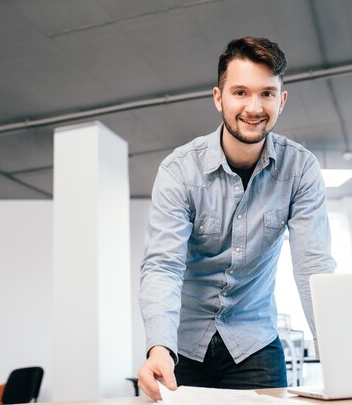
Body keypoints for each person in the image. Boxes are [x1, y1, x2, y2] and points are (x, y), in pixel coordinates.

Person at [137, 36, 336, 400]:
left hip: (254, 343)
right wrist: (158, 346)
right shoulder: (180, 170)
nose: (254, 107)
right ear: (219, 98)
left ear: (282, 100)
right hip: (182, 345)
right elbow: (163, 265)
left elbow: (313, 265)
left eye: (267, 94)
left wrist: (336, 352)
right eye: (240, 92)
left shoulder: (301, 169)